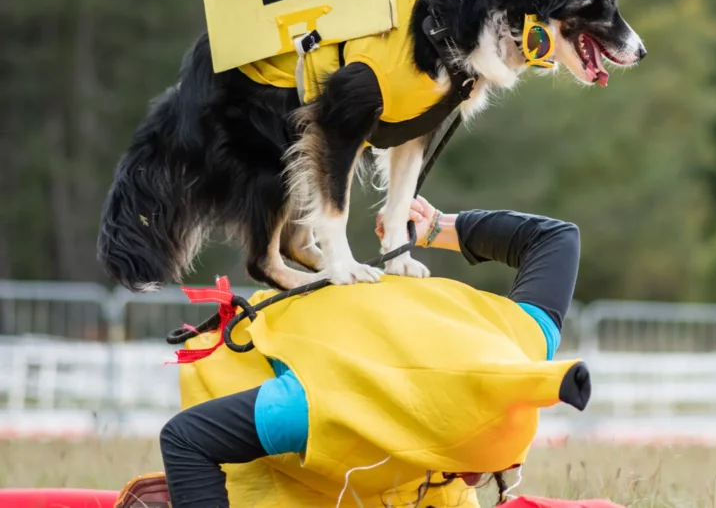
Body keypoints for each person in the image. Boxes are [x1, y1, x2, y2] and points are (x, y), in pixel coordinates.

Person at [159, 196, 586, 508]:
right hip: (264, 354)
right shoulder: (328, 404)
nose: (475, 478)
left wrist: (438, 226)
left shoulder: (524, 338)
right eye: (470, 469)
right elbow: (185, 440)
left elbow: (556, 238)